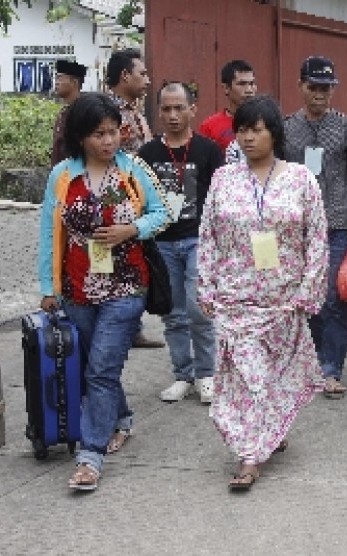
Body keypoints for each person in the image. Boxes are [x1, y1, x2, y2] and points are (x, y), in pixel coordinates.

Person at [38, 92, 171, 491]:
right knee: (94, 367)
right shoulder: (63, 176)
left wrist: (133, 229)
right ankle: (122, 417)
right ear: (81, 137)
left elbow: (162, 212)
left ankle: (89, 456)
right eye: (99, 134)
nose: (109, 141)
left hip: (126, 286)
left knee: (100, 368)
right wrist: (49, 287)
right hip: (77, 289)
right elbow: (49, 233)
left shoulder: (133, 169)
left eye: (114, 132)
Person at [197, 95, 328, 490]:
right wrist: (207, 287)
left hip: (284, 299)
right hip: (236, 298)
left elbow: (317, 237)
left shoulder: (300, 178)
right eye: (242, 130)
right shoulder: (224, 179)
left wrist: (308, 290)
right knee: (247, 380)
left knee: (274, 378)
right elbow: (208, 236)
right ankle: (249, 457)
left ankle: (269, 430)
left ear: (274, 133)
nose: (248, 138)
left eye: (257, 129)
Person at [283, 56, 347, 400]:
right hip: (296, 225)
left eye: (326, 88)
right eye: (313, 87)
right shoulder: (286, 127)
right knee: (307, 297)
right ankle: (314, 361)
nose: (320, 94)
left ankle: (331, 368)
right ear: (301, 86)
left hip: (335, 223)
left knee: (334, 295)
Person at [138, 82, 224, 404]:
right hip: (161, 243)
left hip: (197, 239)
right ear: (158, 111)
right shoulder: (147, 154)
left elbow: (219, 196)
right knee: (173, 313)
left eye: (179, 108)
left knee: (199, 309)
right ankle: (182, 375)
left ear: (192, 108)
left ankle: (206, 374)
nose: (173, 115)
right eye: (166, 109)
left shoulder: (208, 150)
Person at [105, 48, 163, 349]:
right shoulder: (107, 113)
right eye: (142, 74)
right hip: (114, 199)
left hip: (138, 200)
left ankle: (132, 326)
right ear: (125, 76)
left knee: (133, 263)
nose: (147, 80)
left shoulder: (135, 112)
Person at [199, 59, 257, 152]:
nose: (249, 90)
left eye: (252, 83)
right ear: (226, 88)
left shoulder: (266, 122)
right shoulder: (210, 126)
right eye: (242, 84)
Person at [51, 59, 87, 166]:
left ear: (74, 82)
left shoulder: (83, 112)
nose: (56, 82)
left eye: (60, 78)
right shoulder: (64, 112)